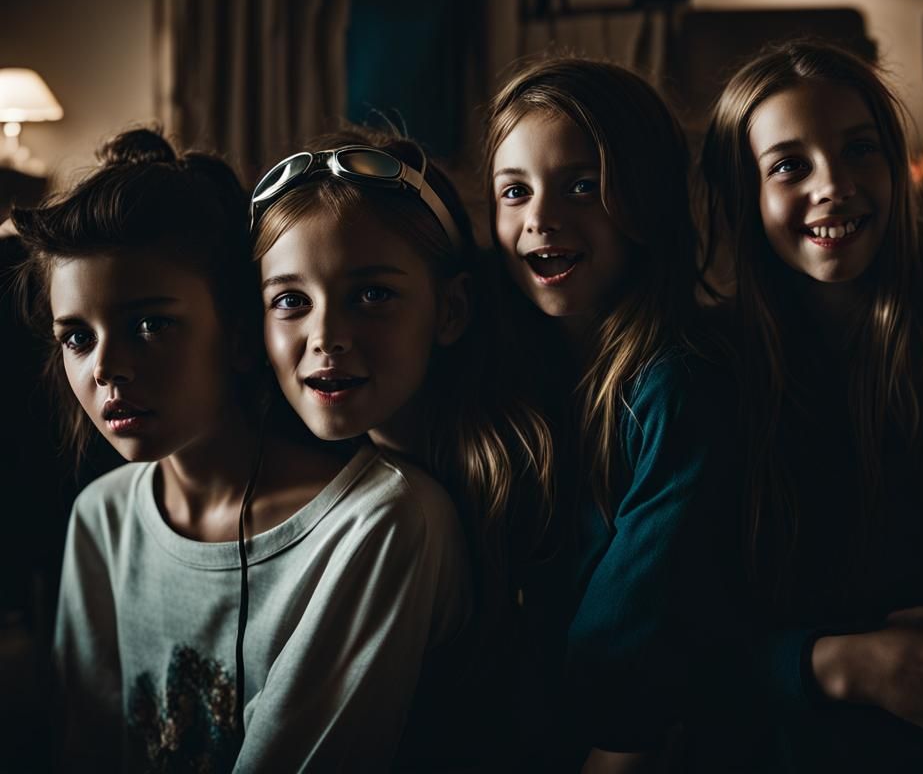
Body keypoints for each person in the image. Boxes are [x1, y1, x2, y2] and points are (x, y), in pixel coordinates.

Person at [14, 128, 471, 773]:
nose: (107, 369)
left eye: (151, 325)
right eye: (77, 338)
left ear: (240, 334)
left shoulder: (383, 521)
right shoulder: (102, 518)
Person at [700, 39, 923, 772]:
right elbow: (677, 638)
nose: (835, 185)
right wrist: (838, 666)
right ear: (738, 193)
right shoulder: (706, 369)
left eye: (860, 150)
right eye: (789, 165)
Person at [249, 127, 555, 768]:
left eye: (372, 295)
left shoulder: (521, 473)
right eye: (291, 301)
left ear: (450, 311)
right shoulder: (281, 483)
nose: (326, 336)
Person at [484, 57, 726, 773]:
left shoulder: (675, 389)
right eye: (514, 191)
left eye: (583, 186)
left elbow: (631, 647)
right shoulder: (502, 370)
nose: (541, 219)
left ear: (645, 199)